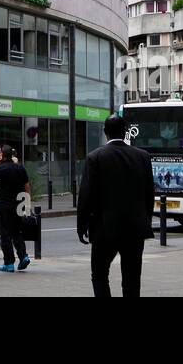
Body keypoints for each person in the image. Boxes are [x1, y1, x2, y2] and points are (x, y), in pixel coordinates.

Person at [76, 114, 155, 297]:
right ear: (126, 131)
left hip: (104, 229)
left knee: (99, 275)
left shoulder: (95, 157)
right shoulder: (142, 157)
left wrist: (82, 226)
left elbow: (86, 196)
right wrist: (146, 221)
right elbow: (148, 194)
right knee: (132, 278)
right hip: (135, 228)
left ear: (105, 132)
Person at [0, 143, 32, 274]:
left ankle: (9, 263)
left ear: (1, 155)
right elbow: (27, 187)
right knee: (17, 232)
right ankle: (24, 256)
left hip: (4, 206)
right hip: (18, 205)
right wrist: (27, 206)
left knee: (5, 234)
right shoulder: (20, 169)